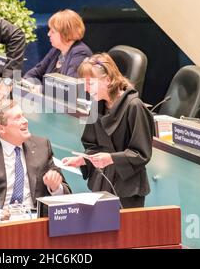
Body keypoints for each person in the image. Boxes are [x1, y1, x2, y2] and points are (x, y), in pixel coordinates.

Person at [62, 53, 154, 208]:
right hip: (102, 183)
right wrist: (84, 159)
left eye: (90, 83)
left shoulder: (134, 106)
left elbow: (141, 154)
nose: (86, 89)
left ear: (109, 80)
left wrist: (111, 158)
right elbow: (93, 145)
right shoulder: (97, 105)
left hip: (127, 190)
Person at [0, 98, 71, 220]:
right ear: (1, 128)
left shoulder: (42, 146)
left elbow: (67, 195)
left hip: (36, 222)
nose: (25, 121)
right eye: (18, 118)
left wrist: (56, 187)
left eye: (23, 116)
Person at [23, 9, 92, 84]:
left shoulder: (80, 53)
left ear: (65, 33)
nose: (48, 34)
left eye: (53, 31)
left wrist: (40, 89)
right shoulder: (56, 50)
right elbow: (35, 72)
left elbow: (68, 86)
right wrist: (27, 83)